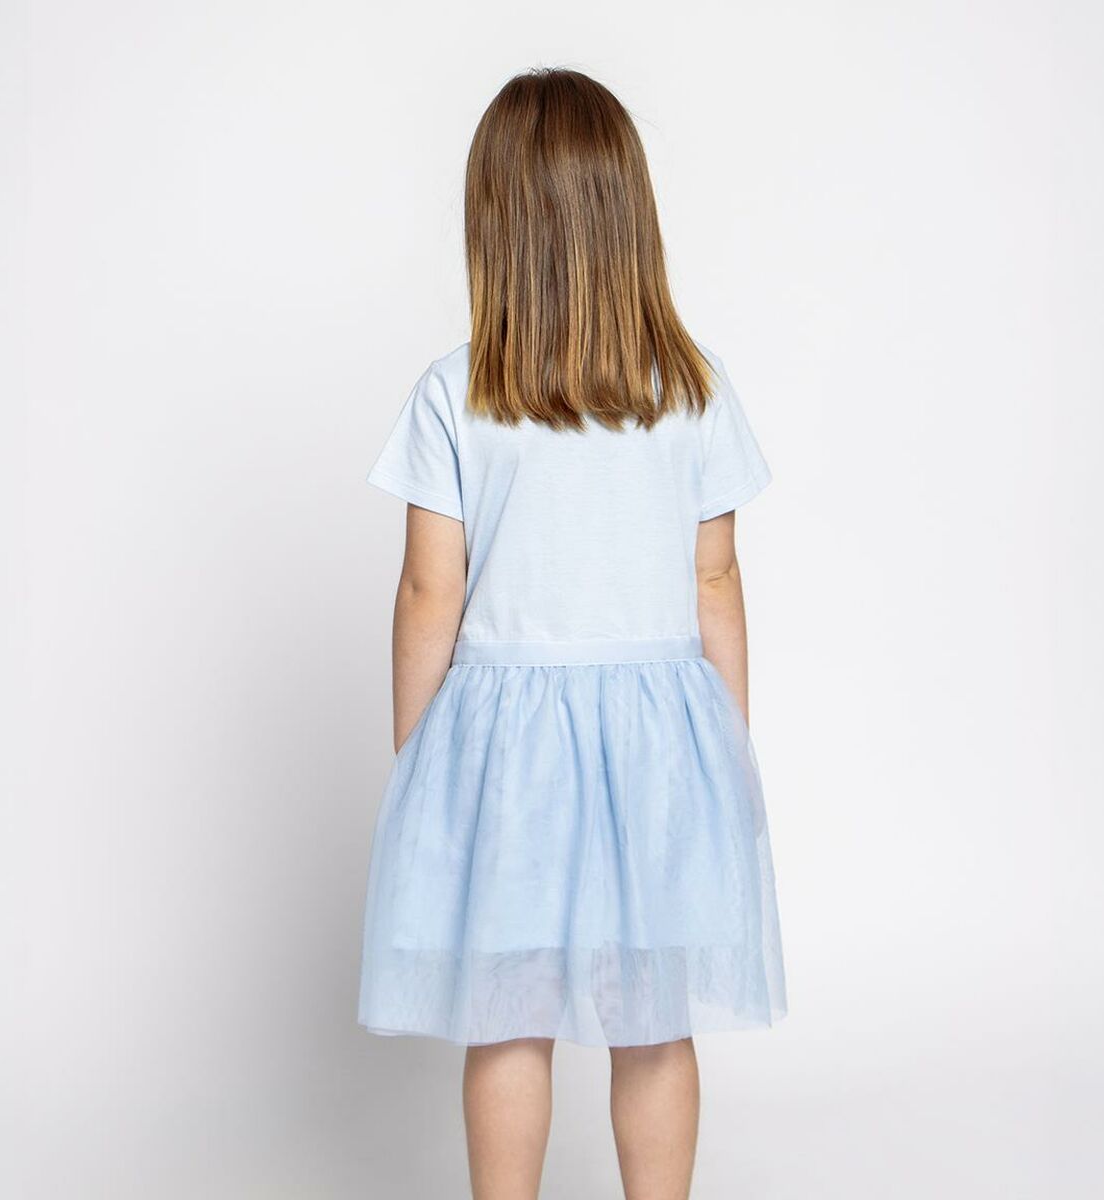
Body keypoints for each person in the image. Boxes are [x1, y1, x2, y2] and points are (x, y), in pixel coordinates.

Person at [357, 66, 787, 1200]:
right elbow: (716, 575)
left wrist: (418, 761)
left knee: (508, 1015)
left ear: (493, 225)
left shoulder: (457, 392)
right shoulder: (691, 388)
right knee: (654, 1020)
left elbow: (428, 592)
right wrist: (728, 749)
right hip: (660, 740)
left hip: (508, 750)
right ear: (628, 214)